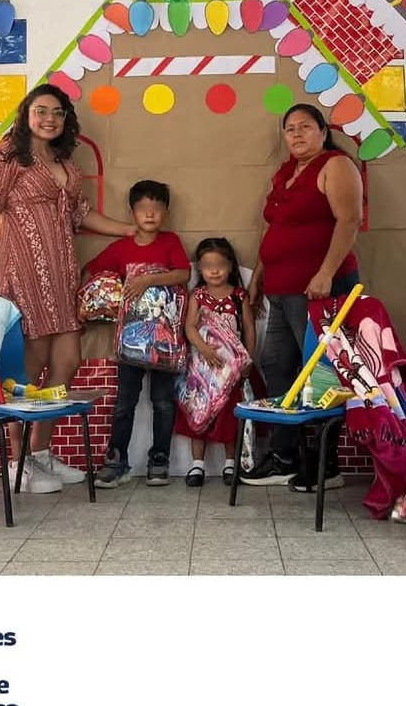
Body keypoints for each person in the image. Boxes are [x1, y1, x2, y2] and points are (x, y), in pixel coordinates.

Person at [0, 83, 135, 493]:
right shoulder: (5, 155)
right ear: (26, 114)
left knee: (67, 362)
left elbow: (81, 214)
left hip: (62, 276)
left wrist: (127, 230)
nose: (50, 119)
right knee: (28, 369)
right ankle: (19, 463)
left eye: (58, 112)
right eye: (41, 110)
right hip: (22, 272)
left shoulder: (64, 160)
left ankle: (41, 453)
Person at [242, 104, 364, 491]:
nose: (296, 134)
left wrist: (326, 272)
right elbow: (273, 229)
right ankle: (285, 456)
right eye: (290, 128)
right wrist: (258, 276)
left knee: (322, 372)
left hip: (318, 288)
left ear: (323, 132)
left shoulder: (336, 165)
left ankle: (327, 465)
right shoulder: (285, 173)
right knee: (276, 365)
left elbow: (350, 220)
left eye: (305, 127)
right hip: (280, 290)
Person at [86, 181, 192, 487]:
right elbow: (93, 271)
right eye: (143, 208)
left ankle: (159, 459)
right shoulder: (121, 248)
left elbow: (183, 274)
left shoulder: (170, 242)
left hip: (164, 341)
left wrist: (148, 280)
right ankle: (116, 461)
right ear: (132, 212)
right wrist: (89, 299)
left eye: (156, 208)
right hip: (129, 343)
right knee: (124, 403)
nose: (150, 214)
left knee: (163, 402)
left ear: (166, 213)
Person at [177, 238, 260, 488]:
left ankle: (230, 464)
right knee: (198, 413)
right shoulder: (199, 296)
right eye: (207, 266)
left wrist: (248, 359)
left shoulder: (239, 296)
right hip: (202, 370)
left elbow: (249, 329)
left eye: (220, 265)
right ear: (199, 269)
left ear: (231, 266)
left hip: (231, 371)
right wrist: (203, 349)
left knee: (229, 416)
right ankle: (197, 465)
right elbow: (189, 327)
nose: (214, 271)